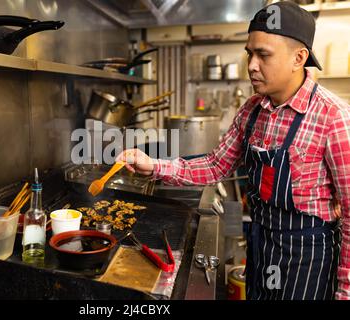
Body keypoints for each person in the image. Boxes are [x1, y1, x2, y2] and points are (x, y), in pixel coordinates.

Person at [116, 2, 350, 300]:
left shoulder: (334, 117)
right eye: (249, 53)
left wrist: (346, 291)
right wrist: (155, 166)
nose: (251, 65)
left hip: (308, 257)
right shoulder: (252, 110)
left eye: (263, 55)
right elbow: (215, 165)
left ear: (298, 58)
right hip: (262, 245)